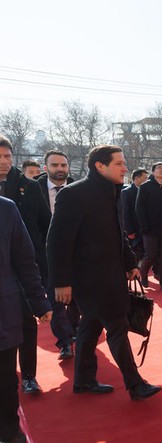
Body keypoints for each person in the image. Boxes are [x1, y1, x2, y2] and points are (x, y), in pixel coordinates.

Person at [47, 144, 161, 400]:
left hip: (111, 275)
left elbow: (116, 232)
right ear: (100, 165)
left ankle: (84, 381)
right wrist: (61, 282)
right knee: (118, 327)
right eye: (119, 163)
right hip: (88, 280)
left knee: (90, 326)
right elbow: (57, 241)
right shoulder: (74, 195)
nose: (125, 168)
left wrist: (131, 263)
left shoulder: (114, 192)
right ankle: (135, 384)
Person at [0, 196, 52, 443]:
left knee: (5, 378)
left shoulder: (6, 209)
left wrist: (38, 302)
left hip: (3, 311)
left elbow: (24, 261)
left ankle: (9, 427)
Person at [0, 135, 50, 394]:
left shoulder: (29, 187)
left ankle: (29, 376)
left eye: (7, 156)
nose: (4, 162)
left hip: (24, 267)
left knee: (26, 323)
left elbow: (45, 223)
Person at [37, 150, 78, 360]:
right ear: (46, 168)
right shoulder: (35, 191)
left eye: (63, 165)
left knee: (76, 299)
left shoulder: (77, 190)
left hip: (76, 255)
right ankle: (64, 341)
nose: (59, 169)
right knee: (56, 300)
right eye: (55, 165)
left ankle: (76, 332)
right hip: (46, 257)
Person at [136, 161, 162, 292]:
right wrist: (144, 226)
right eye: (159, 168)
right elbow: (139, 209)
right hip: (150, 229)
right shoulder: (145, 187)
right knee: (151, 254)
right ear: (153, 172)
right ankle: (143, 275)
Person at [121, 167, 149, 263]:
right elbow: (125, 213)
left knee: (151, 252)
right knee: (135, 253)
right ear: (137, 178)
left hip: (146, 228)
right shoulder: (126, 192)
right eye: (145, 178)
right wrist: (129, 231)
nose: (147, 180)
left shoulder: (147, 192)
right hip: (134, 229)